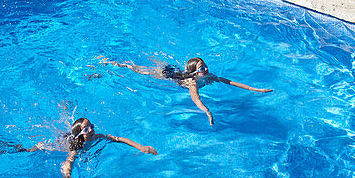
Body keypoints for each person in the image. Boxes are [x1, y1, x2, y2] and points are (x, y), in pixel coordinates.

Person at [0, 116, 157, 178]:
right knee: (29, 151)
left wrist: (141, 147)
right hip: (53, 145)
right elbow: (69, 161)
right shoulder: (76, 147)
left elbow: (118, 138)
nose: (93, 130)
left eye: (92, 126)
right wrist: (67, 176)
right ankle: (5, 148)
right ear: (81, 135)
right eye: (88, 129)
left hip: (71, 136)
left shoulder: (97, 137)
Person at [102, 55, 272, 126]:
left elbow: (229, 82)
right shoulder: (192, 84)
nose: (205, 69)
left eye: (204, 66)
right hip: (169, 77)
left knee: (156, 64)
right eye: (201, 68)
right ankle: (115, 63)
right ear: (193, 72)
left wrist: (254, 89)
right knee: (140, 70)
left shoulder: (209, 76)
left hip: (176, 71)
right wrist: (207, 112)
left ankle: (154, 60)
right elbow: (196, 99)